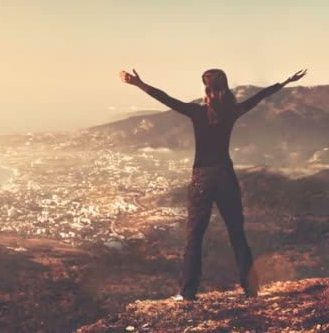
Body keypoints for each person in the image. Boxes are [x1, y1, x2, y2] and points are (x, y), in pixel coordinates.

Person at [119, 67, 307, 300]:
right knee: (237, 233)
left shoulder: (197, 113)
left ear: (206, 89)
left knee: (194, 237)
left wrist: (139, 84)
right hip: (226, 176)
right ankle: (251, 290)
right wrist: (286, 81)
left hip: (202, 179)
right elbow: (260, 97)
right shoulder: (232, 111)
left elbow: (165, 98)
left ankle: (187, 293)